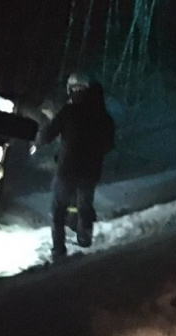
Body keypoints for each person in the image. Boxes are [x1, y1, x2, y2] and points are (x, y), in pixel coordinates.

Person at [33, 73, 115, 259]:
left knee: (58, 209)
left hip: (68, 168)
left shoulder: (69, 111)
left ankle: (58, 249)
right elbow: (109, 144)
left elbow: (48, 133)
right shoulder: (102, 115)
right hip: (91, 169)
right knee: (85, 203)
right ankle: (84, 236)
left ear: (72, 90)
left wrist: (37, 141)